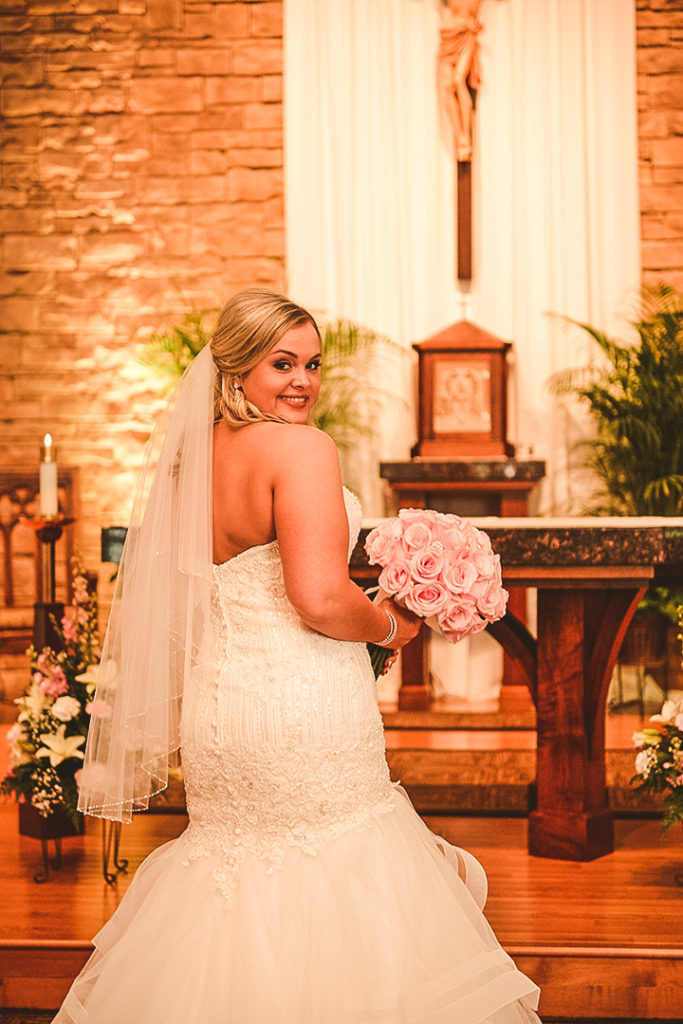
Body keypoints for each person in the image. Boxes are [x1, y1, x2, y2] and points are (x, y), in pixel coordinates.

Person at [53, 288, 541, 1023]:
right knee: (339, 874)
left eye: (312, 365)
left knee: (228, 875)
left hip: (222, 716)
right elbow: (317, 596)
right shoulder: (301, 449)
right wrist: (387, 627)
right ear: (234, 367)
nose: (302, 382)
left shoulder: (190, 461)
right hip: (303, 712)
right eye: (281, 363)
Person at [439, 0, 483, 162]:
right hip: (449, 32)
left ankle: (465, 135)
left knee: (458, 81)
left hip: (466, 33)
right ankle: (460, 137)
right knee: (448, 87)